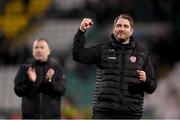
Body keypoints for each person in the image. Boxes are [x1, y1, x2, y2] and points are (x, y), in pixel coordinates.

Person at [72, 13, 157, 119]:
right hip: (104, 113)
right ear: (113, 29)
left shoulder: (142, 54)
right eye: (119, 25)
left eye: (125, 26)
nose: (121, 28)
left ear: (131, 31)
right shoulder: (102, 50)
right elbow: (78, 55)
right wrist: (81, 31)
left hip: (130, 115)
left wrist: (145, 80)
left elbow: (152, 87)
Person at [14, 38, 66, 119]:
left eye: (42, 47)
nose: (39, 50)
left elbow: (62, 90)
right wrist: (30, 82)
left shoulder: (57, 68)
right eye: (36, 47)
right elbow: (18, 91)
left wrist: (49, 81)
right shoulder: (24, 68)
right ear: (32, 51)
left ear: (48, 51)